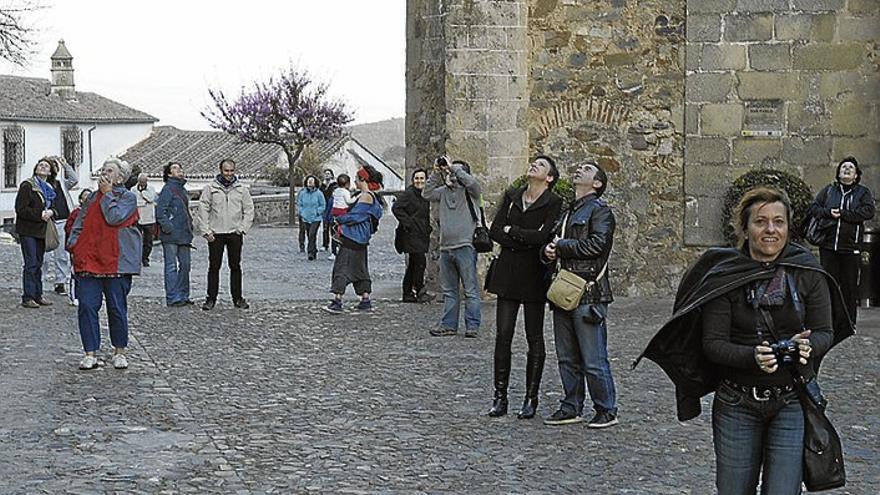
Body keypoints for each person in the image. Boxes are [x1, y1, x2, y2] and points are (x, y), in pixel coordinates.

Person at [636, 187, 853, 494]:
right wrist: (752, 356)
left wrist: (808, 347)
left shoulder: (807, 271)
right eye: (760, 222)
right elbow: (713, 344)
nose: (770, 230)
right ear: (745, 228)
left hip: (791, 399)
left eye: (778, 222)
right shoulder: (725, 274)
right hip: (737, 402)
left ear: (789, 227)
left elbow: (824, 332)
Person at [541, 160, 618, 428]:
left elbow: (597, 245)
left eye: (586, 170)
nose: (578, 170)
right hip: (564, 290)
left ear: (597, 184)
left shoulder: (601, 212)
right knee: (566, 357)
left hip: (589, 293)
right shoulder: (567, 212)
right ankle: (571, 406)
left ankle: (606, 409)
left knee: (594, 358)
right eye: (579, 168)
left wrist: (561, 245)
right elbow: (553, 243)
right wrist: (548, 252)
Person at [485, 156, 563, 418]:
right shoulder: (513, 195)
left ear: (549, 177)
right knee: (503, 335)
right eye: (533, 163)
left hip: (533, 274)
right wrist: (522, 237)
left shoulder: (554, 202)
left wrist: (513, 233)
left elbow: (543, 237)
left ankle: (531, 398)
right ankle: (500, 395)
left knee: (534, 336)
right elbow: (495, 230)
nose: (533, 166)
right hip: (507, 273)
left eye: (541, 165)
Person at [67, 157, 142, 370]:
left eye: (110, 171)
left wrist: (108, 194)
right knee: (87, 307)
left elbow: (114, 217)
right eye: (104, 170)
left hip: (116, 262)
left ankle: (119, 350)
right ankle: (90, 352)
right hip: (89, 260)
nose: (105, 174)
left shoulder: (127, 198)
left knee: (117, 308)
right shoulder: (91, 198)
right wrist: (73, 245)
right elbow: (80, 223)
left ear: (120, 177)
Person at [807, 156, 875, 325]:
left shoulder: (862, 192)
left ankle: (848, 322)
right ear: (838, 172)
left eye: (850, 168)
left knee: (849, 288)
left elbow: (868, 212)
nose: (846, 169)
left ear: (856, 175)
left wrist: (844, 214)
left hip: (850, 249)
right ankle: (827, 321)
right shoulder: (829, 191)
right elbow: (814, 208)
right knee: (828, 286)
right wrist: (829, 213)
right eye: (843, 167)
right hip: (828, 247)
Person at [422, 157, 482, 338]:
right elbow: (426, 193)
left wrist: (455, 169)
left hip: (465, 245)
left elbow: (472, 183)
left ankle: (472, 325)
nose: (451, 175)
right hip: (445, 247)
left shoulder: (471, 191)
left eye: (455, 172)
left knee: (470, 289)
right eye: (449, 171)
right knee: (449, 290)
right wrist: (436, 172)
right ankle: (448, 325)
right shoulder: (443, 192)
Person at [324, 165, 384, 313]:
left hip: (352, 237)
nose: (355, 181)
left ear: (362, 179)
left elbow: (356, 216)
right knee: (360, 268)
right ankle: (365, 299)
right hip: (361, 239)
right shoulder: (371, 196)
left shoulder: (365, 196)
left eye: (357, 179)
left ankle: (337, 300)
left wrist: (339, 219)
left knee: (341, 267)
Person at [197, 159, 255, 310]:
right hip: (216, 233)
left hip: (235, 233)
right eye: (226, 171)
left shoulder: (242, 189)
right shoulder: (210, 188)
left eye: (231, 171)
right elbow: (203, 209)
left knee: (235, 266)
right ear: (220, 170)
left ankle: (238, 298)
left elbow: (249, 210)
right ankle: (210, 299)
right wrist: (206, 231)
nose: (229, 174)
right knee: (214, 267)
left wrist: (242, 228)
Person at [14, 160, 57, 308]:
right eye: (40, 165)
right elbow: (21, 209)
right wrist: (40, 214)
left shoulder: (50, 189)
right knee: (31, 263)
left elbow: (58, 208)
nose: (43, 167)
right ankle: (28, 296)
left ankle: (38, 294)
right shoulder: (28, 186)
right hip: (28, 230)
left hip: (41, 231)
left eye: (46, 166)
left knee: (38, 263)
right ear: (36, 169)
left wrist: (51, 212)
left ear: (50, 172)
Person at [155, 162, 194, 307]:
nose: (180, 171)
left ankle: (183, 294)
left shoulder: (182, 190)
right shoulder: (167, 189)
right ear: (169, 174)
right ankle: (172, 296)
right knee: (171, 266)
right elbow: (160, 211)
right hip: (171, 234)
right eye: (175, 169)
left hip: (184, 233)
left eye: (180, 168)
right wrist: (168, 226)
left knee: (185, 265)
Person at [391, 168, 433, 303]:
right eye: (417, 178)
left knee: (414, 264)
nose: (419, 181)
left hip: (421, 233)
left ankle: (408, 293)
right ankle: (420, 290)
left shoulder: (426, 194)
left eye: (421, 178)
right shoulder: (409, 194)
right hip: (411, 234)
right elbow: (396, 207)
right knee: (420, 261)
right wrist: (408, 223)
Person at [41, 156, 78, 294]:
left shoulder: (61, 183)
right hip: (47, 222)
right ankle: (40, 281)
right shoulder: (39, 184)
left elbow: (74, 179)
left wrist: (65, 164)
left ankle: (60, 282)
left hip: (62, 221)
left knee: (61, 254)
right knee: (45, 254)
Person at [64, 188, 92, 305]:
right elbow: (69, 229)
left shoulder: (95, 213)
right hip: (77, 247)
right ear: (80, 199)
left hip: (90, 248)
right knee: (75, 272)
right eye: (85, 196)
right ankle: (74, 296)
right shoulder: (76, 213)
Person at [297, 175, 326, 261]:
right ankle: (314, 250)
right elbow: (300, 204)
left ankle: (310, 253)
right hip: (305, 217)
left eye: (312, 181)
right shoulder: (302, 193)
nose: (310, 183)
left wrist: (317, 212)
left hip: (316, 218)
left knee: (312, 234)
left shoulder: (319, 194)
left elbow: (322, 205)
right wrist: (302, 212)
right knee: (309, 235)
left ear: (315, 183)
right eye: (308, 181)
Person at [131, 173, 158, 267]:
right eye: (141, 181)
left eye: (144, 181)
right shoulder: (133, 190)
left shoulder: (151, 189)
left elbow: (151, 199)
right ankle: (137, 258)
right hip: (138, 218)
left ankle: (145, 258)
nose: (142, 183)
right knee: (136, 240)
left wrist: (143, 193)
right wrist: (143, 202)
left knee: (148, 241)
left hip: (149, 218)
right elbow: (134, 201)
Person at [327, 174, 355, 260]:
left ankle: (333, 252)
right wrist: (356, 198)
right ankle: (342, 249)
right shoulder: (345, 192)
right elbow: (349, 201)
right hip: (343, 212)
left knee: (334, 232)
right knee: (343, 232)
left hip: (334, 212)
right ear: (347, 184)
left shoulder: (336, 191)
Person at [320, 168, 337, 252]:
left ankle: (335, 245)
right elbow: (320, 194)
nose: (327, 175)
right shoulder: (322, 185)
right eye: (325, 173)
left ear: (331, 175)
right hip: (325, 208)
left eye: (328, 173)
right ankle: (325, 244)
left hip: (332, 207)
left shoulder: (334, 185)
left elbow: (330, 194)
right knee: (325, 227)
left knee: (332, 227)